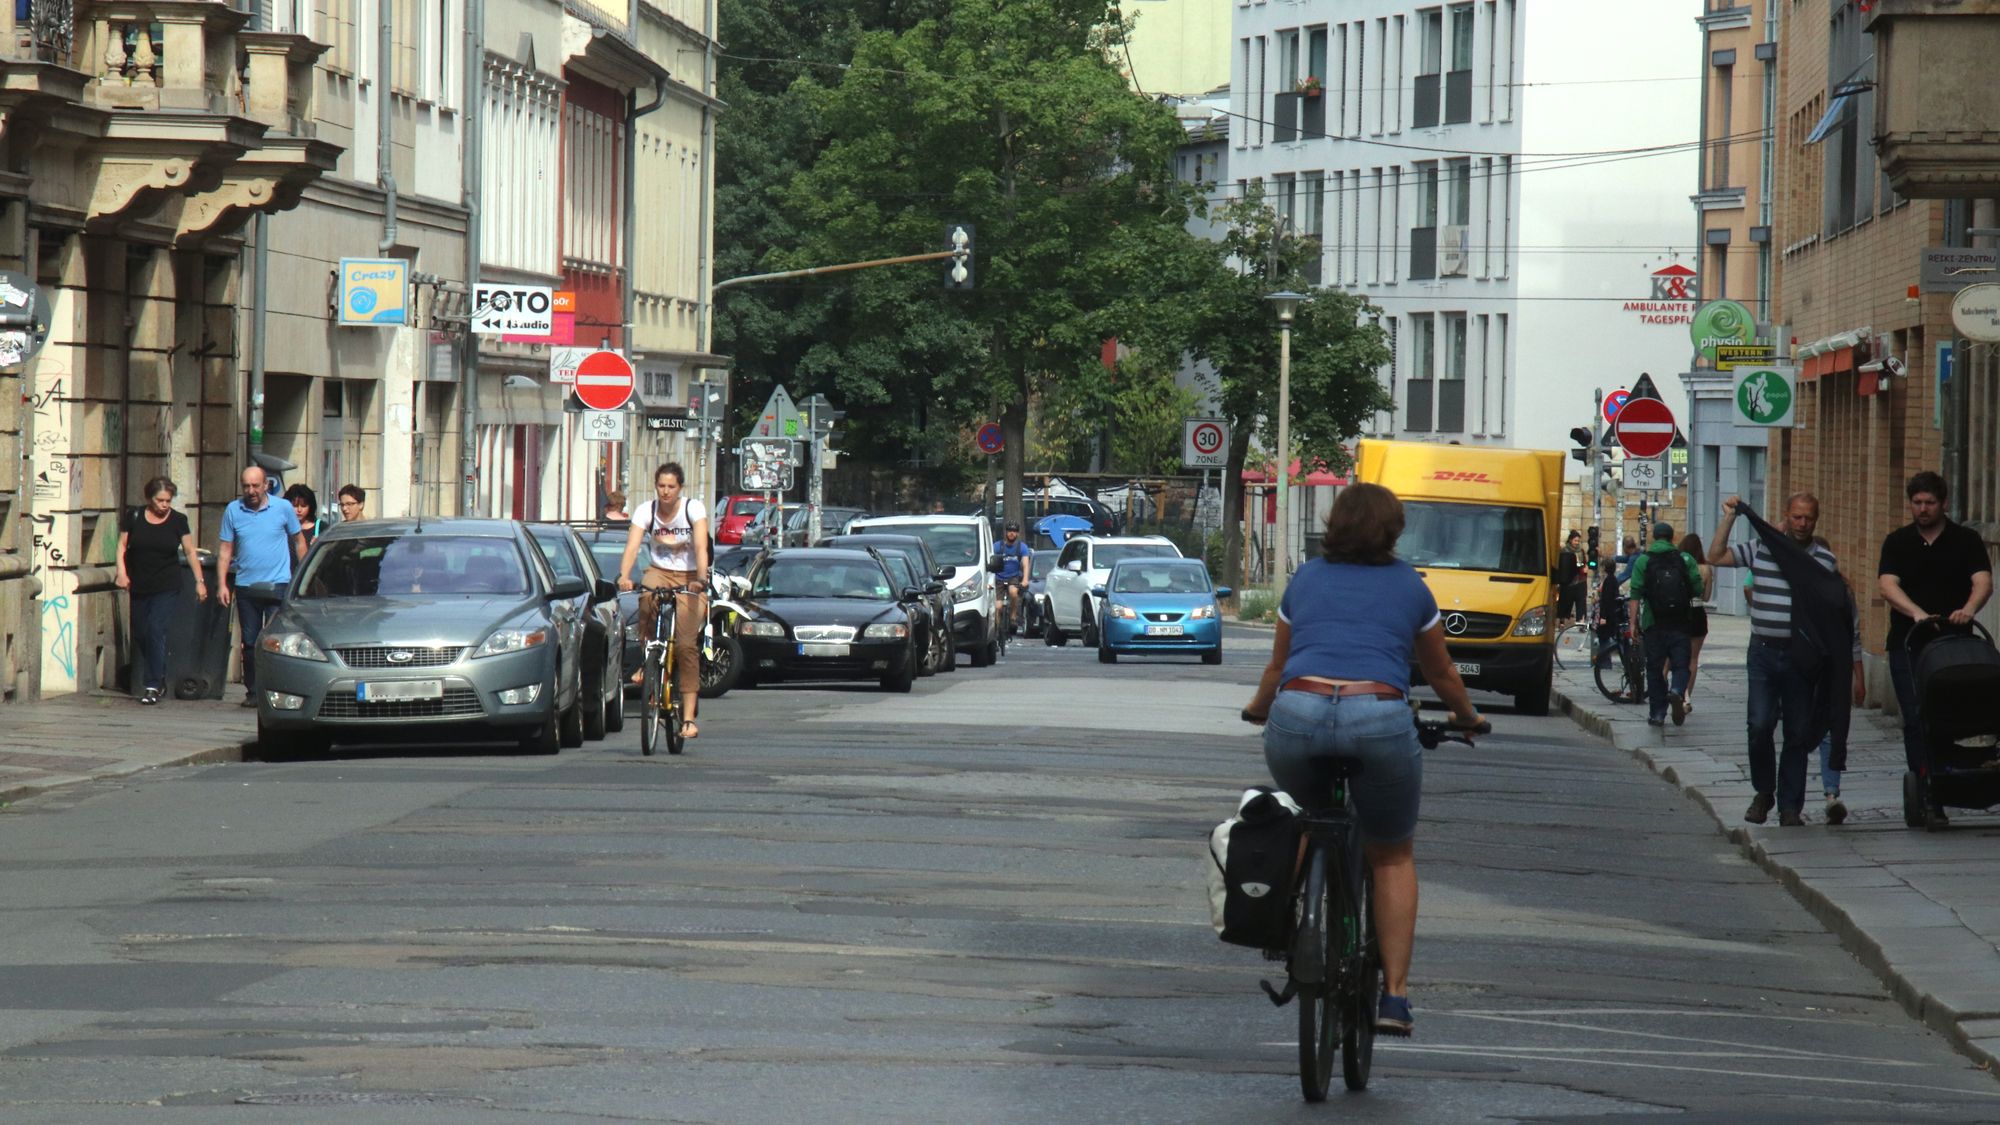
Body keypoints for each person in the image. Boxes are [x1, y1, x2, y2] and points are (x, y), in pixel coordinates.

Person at [1240, 483, 1484, 1038]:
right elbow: (1443, 674)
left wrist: (1257, 710)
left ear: (1335, 525)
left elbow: (1277, 670)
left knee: (1303, 816)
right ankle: (1394, 998)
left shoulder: (1304, 580)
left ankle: (1292, 923)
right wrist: (1467, 718)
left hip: (1297, 713)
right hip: (1377, 715)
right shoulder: (1410, 588)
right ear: (1393, 530)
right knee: (1392, 854)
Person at [1708, 492, 1844, 827]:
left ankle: (1789, 807)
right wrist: (1730, 517)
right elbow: (1715, 556)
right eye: (1796, 517)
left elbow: (1834, 611)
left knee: (1797, 733)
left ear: (1816, 519)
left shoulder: (1823, 560)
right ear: (1786, 515)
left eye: (1808, 518)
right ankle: (1764, 791)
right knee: (1759, 725)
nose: (1802, 524)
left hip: (1802, 658)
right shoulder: (1762, 548)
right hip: (1764, 653)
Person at [1879, 470, 1994, 826]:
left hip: (1955, 643)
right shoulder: (1898, 542)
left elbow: (1983, 581)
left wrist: (1968, 610)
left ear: (1943, 503)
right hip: (1909, 644)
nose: (1923, 509)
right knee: (1916, 717)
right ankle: (1929, 789)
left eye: (1930, 502)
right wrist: (1916, 613)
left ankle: (1962, 774)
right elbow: (1887, 584)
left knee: (1954, 714)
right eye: (1917, 503)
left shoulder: (1966, 540)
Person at [617, 462, 710, 740]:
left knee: (685, 645)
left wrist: (701, 579)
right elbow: (632, 546)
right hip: (659, 571)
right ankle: (649, 657)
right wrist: (625, 575)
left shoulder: (693, 509)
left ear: (680, 488)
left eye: (671, 486)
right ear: (655, 486)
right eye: (661, 486)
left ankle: (689, 719)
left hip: (690, 575)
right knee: (646, 596)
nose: (666, 491)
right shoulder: (647, 510)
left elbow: (702, 547)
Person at [216, 464, 306, 708]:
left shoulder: (283, 508)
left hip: (278, 584)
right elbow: (225, 550)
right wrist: (222, 583)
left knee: (278, 641)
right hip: (246, 586)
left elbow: (299, 542)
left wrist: (301, 578)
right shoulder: (233, 510)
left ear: (266, 485)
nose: (251, 490)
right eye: (246, 486)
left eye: (256, 485)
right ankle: (254, 691)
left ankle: (280, 689)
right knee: (251, 642)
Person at [115, 476, 206, 705]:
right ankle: (160, 673)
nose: (165, 505)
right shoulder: (134, 516)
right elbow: (122, 546)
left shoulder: (178, 521)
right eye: (160, 500)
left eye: (168, 500)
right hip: (139, 584)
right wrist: (122, 572)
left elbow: (190, 551)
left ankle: (152, 685)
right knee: (142, 633)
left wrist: (200, 580)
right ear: (149, 499)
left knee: (156, 628)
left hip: (167, 585)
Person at [1628, 522, 1703, 728]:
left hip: (1654, 623)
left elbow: (1635, 594)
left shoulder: (1643, 561)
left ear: (1654, 537)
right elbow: (1697, 588)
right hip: (1680, 622)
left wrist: (1632, 624)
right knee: (1681, 664)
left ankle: (1658, 713)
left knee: (1654, 668)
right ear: (1672, 538)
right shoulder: (1685, 559)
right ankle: (1678, 690)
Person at [1677, 532, 1713, 714]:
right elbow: (1707, 597)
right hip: (1698, 612)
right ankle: (1686, 698)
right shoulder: (1706, 569)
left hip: (1680, 613)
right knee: (1692, 659)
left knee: (1671, 657)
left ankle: (1664, 694)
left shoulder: (1678, 564)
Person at [993, 522, 1032, 632]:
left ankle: (1013, 615)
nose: (1011, 533)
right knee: (998, 607)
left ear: (1018, 534)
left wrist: (1025, 579)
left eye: (1014, 531)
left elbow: (1025, 564)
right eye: (1009, 531)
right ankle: (997, 629)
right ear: (1005, 532)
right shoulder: (997, 546)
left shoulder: (1022, 547)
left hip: (1013, 577)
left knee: (1014, 593)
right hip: (998, 578)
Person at [1555, 531, 1586, 627]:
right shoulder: (1564, 551)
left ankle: (1580, 621)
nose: (1577, 542)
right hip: (1568, 582)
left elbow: (1583, 563)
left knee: (1581, 602)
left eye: (1578, 541)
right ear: (1570, 540)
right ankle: (1562, 621)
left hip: (1580, 580)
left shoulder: (1581, 551)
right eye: (1575, 540)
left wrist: (1585, 566)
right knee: (1565, 602)